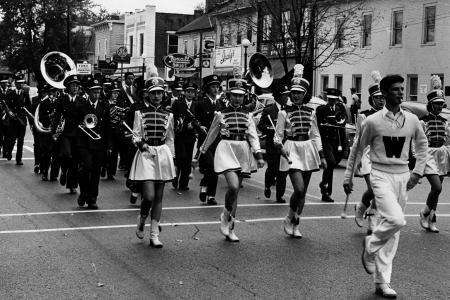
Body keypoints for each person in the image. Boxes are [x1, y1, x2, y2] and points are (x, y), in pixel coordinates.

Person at [358, 75, 431, 298]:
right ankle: (370, 245)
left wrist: (418, 172)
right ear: (385, 93)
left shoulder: (411, 119)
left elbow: (422, 145)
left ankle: (382, 281)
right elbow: (359, 148)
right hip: (380, 174)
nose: (401, 92)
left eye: (402, 89)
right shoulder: (371, 120)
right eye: (396, 89)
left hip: (403, 176)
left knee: (394, 231)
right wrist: (350, 177)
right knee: (395, 220)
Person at [199, 78, 264, 242]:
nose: (237, 99)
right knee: (233, 186)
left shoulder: (247, 115)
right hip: (226, 149)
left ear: (244, 97)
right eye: (234, 95)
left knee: (236, 193)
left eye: (240, 96)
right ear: (229, 96)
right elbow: (211, 134)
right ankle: (225, 216)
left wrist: (258, 154)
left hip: (242, 150)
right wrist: (201, 152)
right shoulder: (220, 114)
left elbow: (253, 136)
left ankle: (231, 226)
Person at [275, 65, 327, 238]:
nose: (296, 95)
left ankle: (296, 222)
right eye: (294, 92)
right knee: (298, 189)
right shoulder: (284, 113)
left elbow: (315, 135)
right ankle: (289, 217)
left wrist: (321, 155)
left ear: (305, 94)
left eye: (299, 92)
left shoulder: (311, 112)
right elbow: (278, 135)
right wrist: (279, 146)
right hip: (291, 149)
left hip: (308, 150)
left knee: (303, 192)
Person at [132, 76, 175, 248]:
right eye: (153, 93)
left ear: (163, 94)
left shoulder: (169, 114)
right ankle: (142, 218)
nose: (156, 96)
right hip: (146, 155)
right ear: (148, 95)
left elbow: (171, 138)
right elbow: (135, 135)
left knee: (159, 197)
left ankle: (154, 233)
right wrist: (142, 145)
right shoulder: (139, 113)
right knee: (148, 196)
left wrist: (172, 158)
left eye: (159, 93)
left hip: (162, 154)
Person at [343, 71, 385, 234]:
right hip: (367, 155)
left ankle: (361, 207)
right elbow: (358, 143)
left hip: (383, 156)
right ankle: (372, 218)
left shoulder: (390, 115)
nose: (381, 100)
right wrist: (350, 172)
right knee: (375, 188)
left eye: (383, 97)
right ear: (371, 99)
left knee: (378, 189)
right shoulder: (364, 116)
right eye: (378, 97)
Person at [418, 76, 448, 233]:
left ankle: (432, 218)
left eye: (441, 104)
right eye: (436, 104)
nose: (439, 106)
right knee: (436, 188)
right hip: (429, 154)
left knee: (438, 188)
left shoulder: (445, 121)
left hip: (441, 155)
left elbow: (447, 139)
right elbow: (418, 142)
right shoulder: (422, 121)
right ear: (430, 104)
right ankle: (424, 213)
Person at [76, 79, 112, 209]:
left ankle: (92, 198)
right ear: (88, 92)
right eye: (94, 92)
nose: (97, 95)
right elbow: (77, 123)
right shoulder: (81, 105)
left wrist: (108, 145)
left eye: (98, 92)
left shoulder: (104, 106)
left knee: (96, 172)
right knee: (85, 168)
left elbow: (108, 127)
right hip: (84, 142)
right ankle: (83, 192)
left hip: (99, 143)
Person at [257, 83, 290, 203]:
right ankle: (267, 184)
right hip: (272, 144)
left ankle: (280, 195)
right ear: (278, 96)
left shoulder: (288, 109)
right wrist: (271, 129)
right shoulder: (269, 109)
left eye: (287, 95)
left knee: (283, 170)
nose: (287, 97)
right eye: (285, 95)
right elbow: (261, 125)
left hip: (285, 143)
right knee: (273, 168)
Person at [52, 74, 84, 194]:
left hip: (78, 133)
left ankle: (72, 185)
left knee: (75, 159)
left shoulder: (82, 100)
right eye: (73, 86)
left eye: (77, 86)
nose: (75, 87)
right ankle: (64, 171)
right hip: (65, 132)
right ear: (68, 87)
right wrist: (53, 131)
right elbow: (57, 116)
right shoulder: (62, 99)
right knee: (66, 155)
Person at [195, 75, 224, 205]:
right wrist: (199, 125)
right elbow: (194, 119)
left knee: (216, 168)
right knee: (211, 167)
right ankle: (205, 187)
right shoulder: (201, 103)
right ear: (207, 88)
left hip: (217, 142)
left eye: (217, 86)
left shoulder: (220, 104)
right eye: (213, 86)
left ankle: (210, 195)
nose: (216, 88)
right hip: (205, 142)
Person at [316, 88, 348, 202]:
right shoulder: (321, 109)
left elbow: (342, 128)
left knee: (331, 166)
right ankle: (326, 189)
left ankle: (325, 188)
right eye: (330, 99)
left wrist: (345, 146)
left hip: (336, 142)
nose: (332, 102)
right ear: (327, 98)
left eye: (334, 100)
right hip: (325, 140)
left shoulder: (340, 109)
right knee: (331, 162)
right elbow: (317, 126)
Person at [172, 82, 199, 191]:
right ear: (184, 92)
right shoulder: (178, 103)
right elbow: (172, 118)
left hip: (191, 135)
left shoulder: (197, 105)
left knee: (188, 160)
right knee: (181, 157)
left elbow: (199, 119)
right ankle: (175, 177)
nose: (190, 94)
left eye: (192, 92)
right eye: (188, 92)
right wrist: (178, 123)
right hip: (180, 135)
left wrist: (193, 124)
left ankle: (184, 183)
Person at [103, 81, 128, 180]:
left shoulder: (120, 103)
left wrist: (122, 118)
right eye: (114, 93)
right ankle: (104, 166)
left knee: (114, 152)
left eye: (117, 93)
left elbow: (123, 115)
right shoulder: (104, 103)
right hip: (106, 130)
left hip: (116, 130)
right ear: (109, 93)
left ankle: (111, 172)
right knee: (106, 151)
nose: (116, 95)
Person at [4, 77, 31, 165]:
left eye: (22, 83)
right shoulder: (10, 93)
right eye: (19, 83)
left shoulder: (25, 94)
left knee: (21, 140)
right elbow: (7, 106)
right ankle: (9, 152)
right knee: (12, 139)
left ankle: (18, 159)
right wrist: (10, 114)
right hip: (13, 119)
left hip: (22, 119)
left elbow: (28, 106)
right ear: (15, 84)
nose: (21, 85)